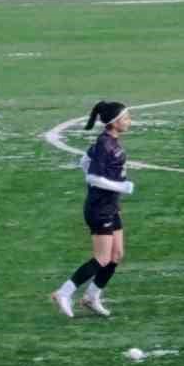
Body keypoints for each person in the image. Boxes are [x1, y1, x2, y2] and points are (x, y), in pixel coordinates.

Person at [50, 101, 136, 319]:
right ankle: (63, 293)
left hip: (110, 206)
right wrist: (121, 187)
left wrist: (114, 195)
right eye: (125, 117)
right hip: (99, 210)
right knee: (102, 258)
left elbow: (84, 161)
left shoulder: (108, 143)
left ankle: (91, 297)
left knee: (116, 255)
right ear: (114, 122)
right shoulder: (106, 145)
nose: (129, 121)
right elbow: (92, 177)